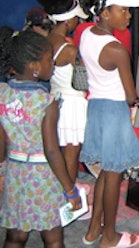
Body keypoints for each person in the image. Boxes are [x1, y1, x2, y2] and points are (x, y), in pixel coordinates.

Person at [79, 0, 139, 248]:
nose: (128, 15)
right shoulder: (117, 49)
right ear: (105, 13)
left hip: (96, 108)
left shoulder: (86, 35)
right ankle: (110, 237)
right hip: (114, 112)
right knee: (114, 175)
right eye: (124, 10)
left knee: (106, 174)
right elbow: (131, 95)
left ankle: (94, 229)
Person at [0, 30, 82, 247]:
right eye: (48, 60)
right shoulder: (47, 101)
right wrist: (69, 189)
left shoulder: (3, 94)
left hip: (15, 174)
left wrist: (1, 170)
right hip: (43, 177)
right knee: (53, 238)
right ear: (34, 68)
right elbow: (52, 150)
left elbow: (1, 139)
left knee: (15, 236)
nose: (52, 64)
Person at [36, 0, 90, 193]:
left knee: (59, 149)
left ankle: (62, 187)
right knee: (72, 151)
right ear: (68, 21)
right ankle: (69, 192)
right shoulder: (68, 48)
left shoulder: (46, 40)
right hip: (73, 104)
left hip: (56, 98)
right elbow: (83, 81)